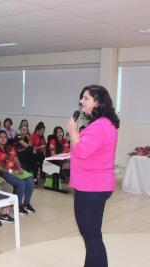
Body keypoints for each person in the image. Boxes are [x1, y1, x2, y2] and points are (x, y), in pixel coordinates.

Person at [66, 85, 119, 267]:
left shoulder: (99, 126)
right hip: (96, 185)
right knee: (93, 234)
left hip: (91, 188)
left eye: (86, 98)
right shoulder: (106, 124)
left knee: (91, 236)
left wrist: (73, 131)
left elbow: (80, 150)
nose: (81, 101)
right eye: (82, 98)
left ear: (98, 102)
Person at [0, 130, 35, 216]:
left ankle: (26, 204)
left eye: (5, 137)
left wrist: (19, 168)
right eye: (1, 137)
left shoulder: (10, 148)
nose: (3, 139)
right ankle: (18, 206)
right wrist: (11, 171)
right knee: (21, 183)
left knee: (29, 180)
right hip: (3, 172)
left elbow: (16, 160)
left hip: (14, 170)